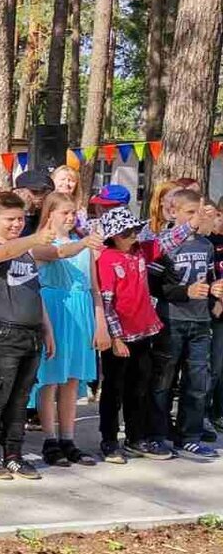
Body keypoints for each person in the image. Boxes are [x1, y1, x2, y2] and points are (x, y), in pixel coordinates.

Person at [0, 191, 57, 481]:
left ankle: (13, 455)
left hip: (30, 335)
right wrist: (35, 238)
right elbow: (2, 254)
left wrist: (47, 329)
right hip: (0, 335)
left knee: (20, 400)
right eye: (10, 219)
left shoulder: (26, 252)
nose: (16, 224)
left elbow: (35, 292)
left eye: (20, 219)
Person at [29, 193, 107, 467]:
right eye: (64, 212)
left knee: (72, 380)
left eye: (73, 212)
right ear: (49, 213)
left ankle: (68, 438)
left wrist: (101, 324)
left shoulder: (84, 248)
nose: (70, 217)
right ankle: (50, 439)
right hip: (55, 310)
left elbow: (95, 289)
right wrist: (84, 242)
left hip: (81, 311)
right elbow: (58, 253)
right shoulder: (39, 244)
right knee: (50, 379)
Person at [96, 207, 171, 464]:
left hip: (143, 331)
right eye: (127, 232)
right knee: (113, 388)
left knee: (139, 387)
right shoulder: (106, 259)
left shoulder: (141, 251)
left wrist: (192, 223)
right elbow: (107, 302)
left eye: (136, 230)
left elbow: (169, 241)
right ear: (113, 236)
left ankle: (135, 437)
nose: (133, 236)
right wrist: (116, 338)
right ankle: (109, 439)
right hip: (119, 335)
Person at [149, 188, 219, 458]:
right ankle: (157, 434)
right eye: (190, 213)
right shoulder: (165, 245)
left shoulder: (206, 245)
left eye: (198, 213)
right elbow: (153, 285)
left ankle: (190, 436)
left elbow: (209, 279)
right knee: (163, 380)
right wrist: (183, 292)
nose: (195, 218)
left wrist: (215, 291)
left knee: (197, 381)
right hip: (171, 319)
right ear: (173, 212)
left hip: (200, 321)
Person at [13, 170, 54, 237]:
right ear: (19, 192)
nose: (41, 196)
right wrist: (25, 211)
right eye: (35, 192)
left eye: (46, 193)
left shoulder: (49, 214)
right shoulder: (7, 213)